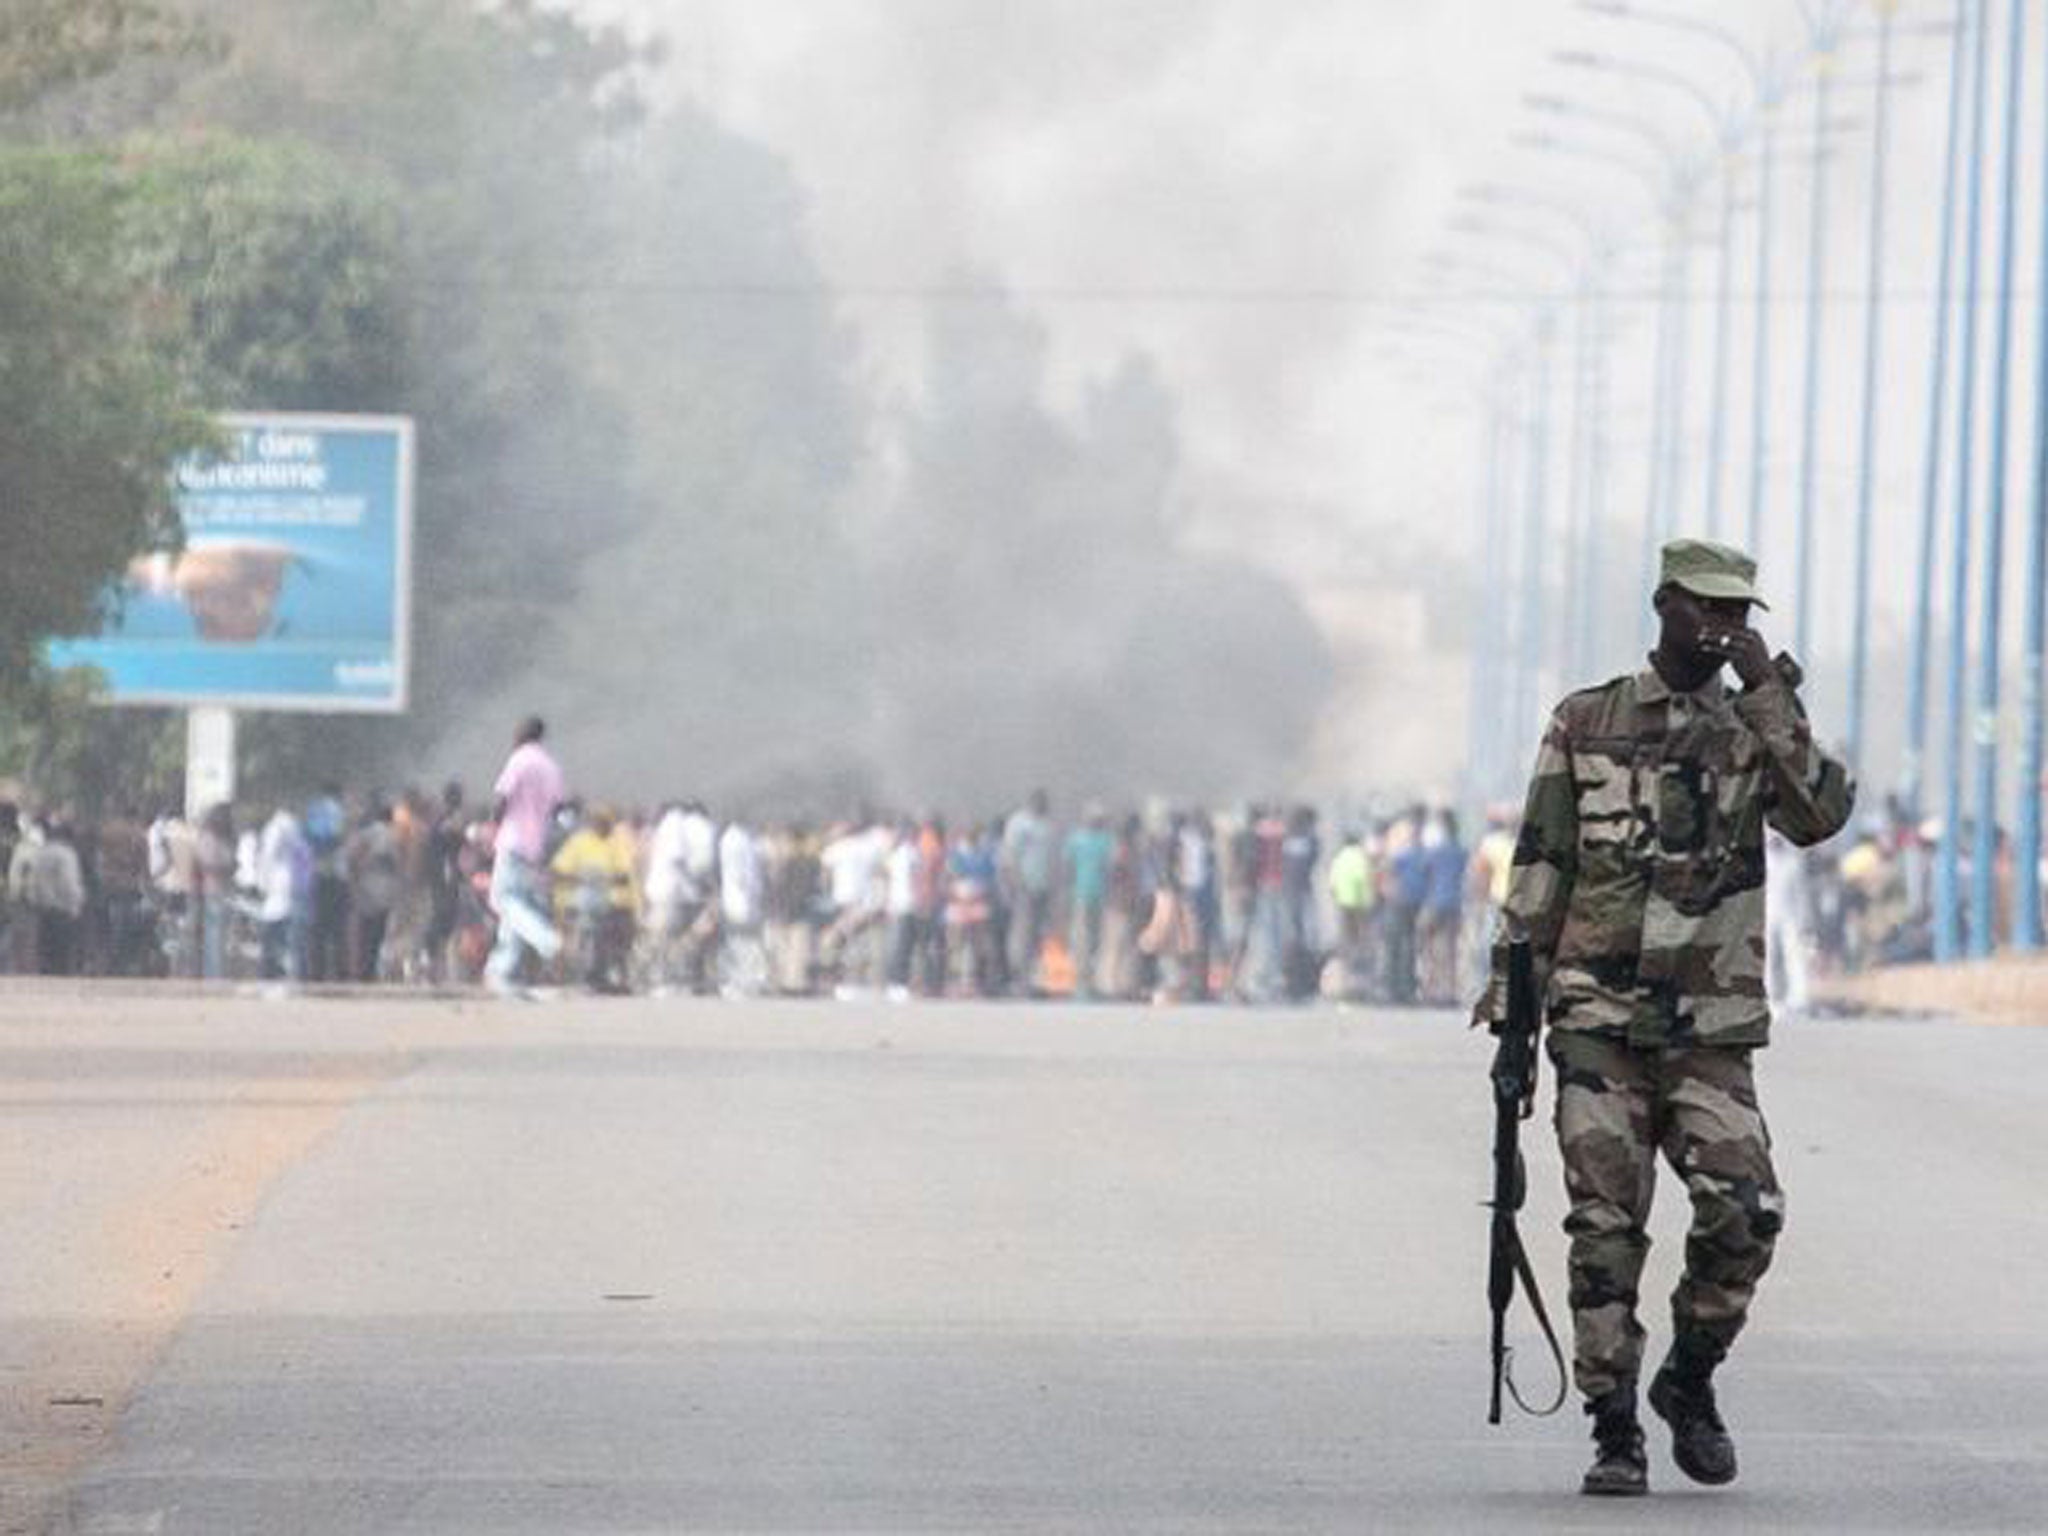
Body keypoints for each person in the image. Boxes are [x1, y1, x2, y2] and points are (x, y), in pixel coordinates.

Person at [1475, 538, 1855, 1498]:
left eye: (1740, 613)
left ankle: (1686, 1379)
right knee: (1605, 1230)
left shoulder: (1752, 730)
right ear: (1665, 606)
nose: (1724, 626)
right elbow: (1542, 861)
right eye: (1706, 608)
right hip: (1597, 1020)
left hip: (1707, 1029)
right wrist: (1514, 1009)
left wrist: (1770, 694)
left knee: (1747, 1210)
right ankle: (1613, 1427)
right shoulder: (1585, 719)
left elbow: (1820, 815)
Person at [485, 716, 565, 995]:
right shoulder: (551, 767)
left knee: (503, 899)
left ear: (522, 734)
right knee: (517, 907)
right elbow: (557, 809)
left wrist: (492, 827)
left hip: (513, 841)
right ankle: (501, 969)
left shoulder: (519, 760)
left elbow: (501, 798)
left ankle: (547, 941)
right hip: (536, 846)